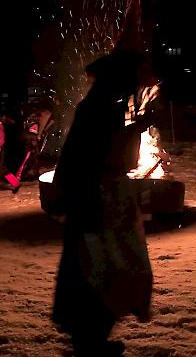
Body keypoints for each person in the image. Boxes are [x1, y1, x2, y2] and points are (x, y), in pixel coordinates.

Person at [51, 51, 155, 357]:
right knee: (100, 269)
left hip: (98, 198)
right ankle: (90, 343)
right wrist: (136, 128)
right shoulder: (100, 108)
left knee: (97, 268)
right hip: (96, 200)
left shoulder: (102, 105)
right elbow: (102, 155)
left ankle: (91, 339)